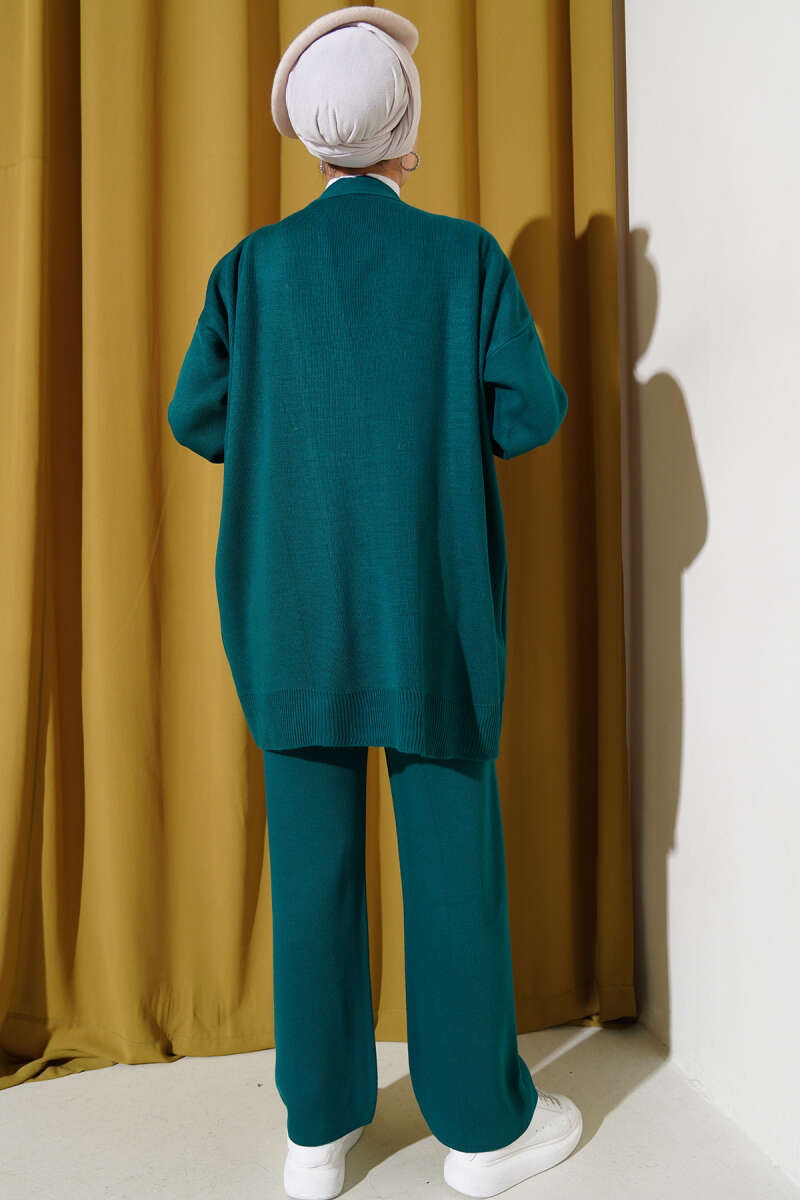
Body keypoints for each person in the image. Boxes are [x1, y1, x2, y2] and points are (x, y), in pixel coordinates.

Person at [168, 6, 579, 1198]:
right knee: (452, 875)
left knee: (311, 881)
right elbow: (529, 413)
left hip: (291, 618)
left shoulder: (249, 270)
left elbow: (198, 417)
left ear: (309, 137)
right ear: (406, 127)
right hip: (427, 616)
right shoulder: (464, 259)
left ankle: (316, 1135)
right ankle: (481, 1135)